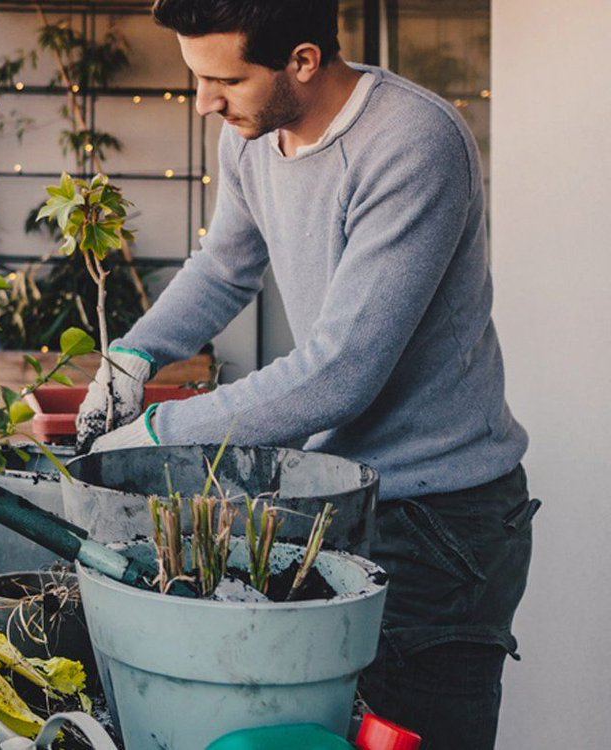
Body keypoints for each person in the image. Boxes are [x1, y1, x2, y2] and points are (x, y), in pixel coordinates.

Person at [75, 2, 538, 748]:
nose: (206, 102)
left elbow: (339, 373)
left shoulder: (412, 142)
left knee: (417, 733)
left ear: (302, 60)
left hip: (439, 519)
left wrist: (160, 431)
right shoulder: (253, 138)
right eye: (198, 78)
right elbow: (225, 267)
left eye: (226, 79)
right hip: (336, 495)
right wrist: (136, 354)